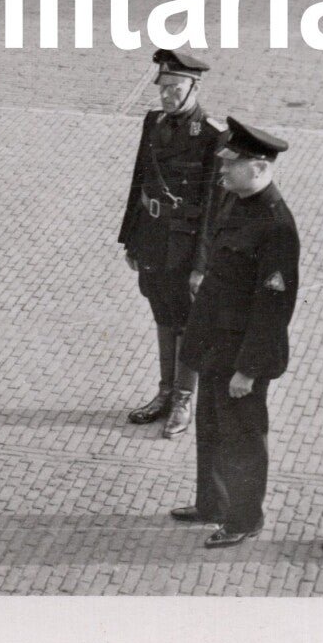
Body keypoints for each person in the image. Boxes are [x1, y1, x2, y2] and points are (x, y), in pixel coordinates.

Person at [170, 117, 299, 548]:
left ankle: (244, 518)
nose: (222, 171)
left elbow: (273, 308)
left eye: (232, 164)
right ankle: (212, 505)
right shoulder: (236, 201)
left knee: (242, 438)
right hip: (214, 342)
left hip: (243, 352)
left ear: (260, 167)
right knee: (210, 426)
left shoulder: (277, 225)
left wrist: (248, 369)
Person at [118, 49, 225, 439]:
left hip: (185, 244)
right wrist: (130, 236)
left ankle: (183, 398)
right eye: (162, 88)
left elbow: (213, 206)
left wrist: (201, 264)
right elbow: (139, 180)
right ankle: (165, 392)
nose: (166, 96)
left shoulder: (213, 133)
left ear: (194, 86)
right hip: (152, 235)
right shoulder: (153, 122)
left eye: (174, 88)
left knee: (188, 321)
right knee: (162, 315)